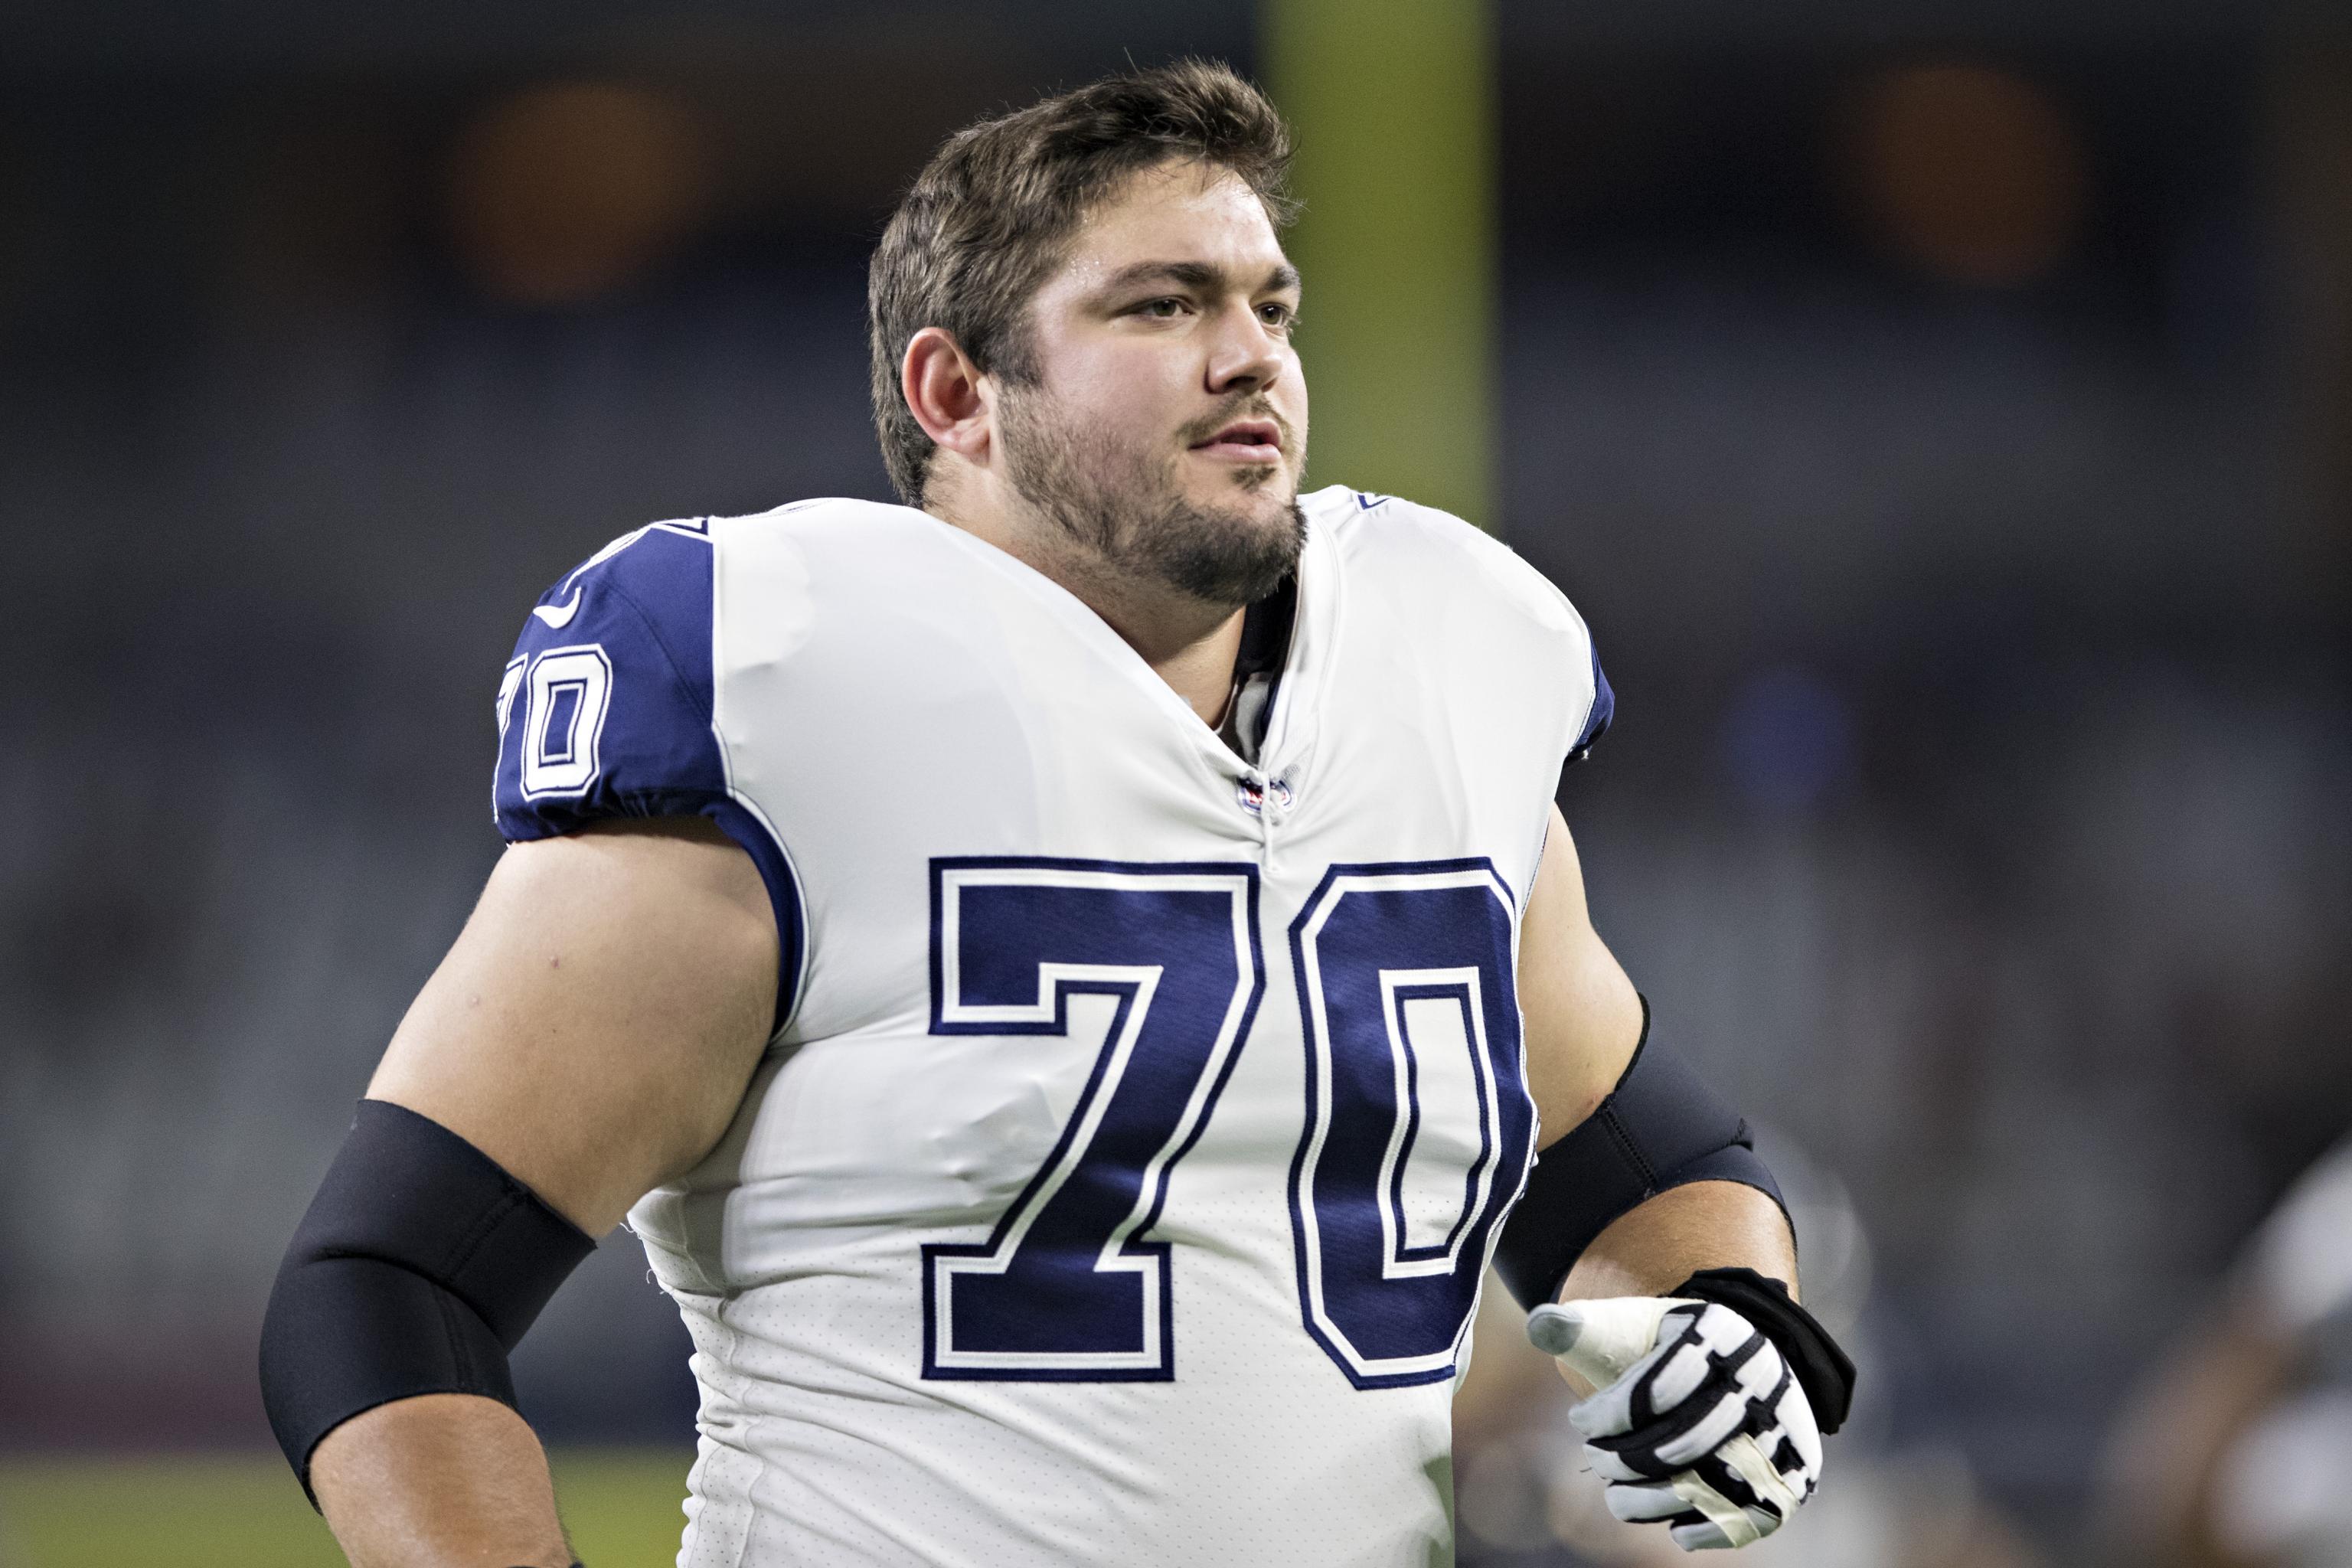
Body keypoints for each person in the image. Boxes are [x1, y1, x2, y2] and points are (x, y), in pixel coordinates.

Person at [258, 61, 1854, 1566]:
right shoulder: (795, 692)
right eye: (1163, 304)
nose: (1252, 354)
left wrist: (1729, 1314)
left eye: (1269, 304)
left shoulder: (1435, 671)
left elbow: (1647, 1170)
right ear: (959, 390)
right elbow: (386, 1287)